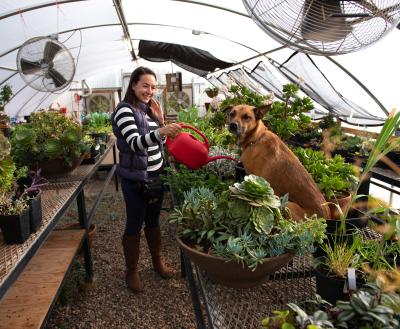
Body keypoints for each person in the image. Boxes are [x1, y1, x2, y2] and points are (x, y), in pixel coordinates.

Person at [111, 66, 181, 293]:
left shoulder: (148, 111)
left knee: (153, 221)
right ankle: (131, 271)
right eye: (145, 85)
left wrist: (160, 122)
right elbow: (134, 142)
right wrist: (161, 131)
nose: (149, 90)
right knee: (134, 223)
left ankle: (157, 262)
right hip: (136, 180)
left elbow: (156, 144)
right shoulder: (124, 111)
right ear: (133, 85)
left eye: (152, 86)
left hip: (155, 176)